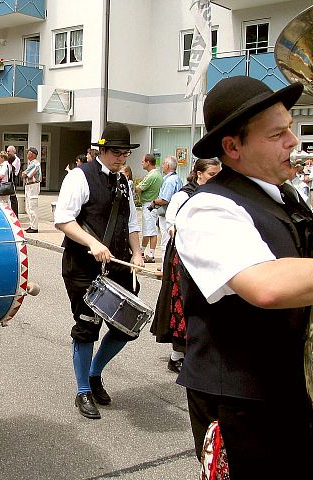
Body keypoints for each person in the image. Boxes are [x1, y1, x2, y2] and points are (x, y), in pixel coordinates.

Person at [174, 76, 313, 477]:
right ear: (233, 147)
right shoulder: (208, 209)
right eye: (277, 133)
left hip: (286, 392)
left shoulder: (286, 195)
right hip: (242, 403)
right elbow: (265, 285)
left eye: (290, 127)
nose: (293, 141)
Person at [54, 122, 144, 420]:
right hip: (83, 266)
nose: (122, 158)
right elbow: (64, 220)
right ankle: (83, 391)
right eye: (116, 152)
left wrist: (138, 251)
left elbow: (131, 223)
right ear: (101, 150)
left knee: (125, 327)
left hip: (118, 265)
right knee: (87, 328)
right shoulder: (79, 177)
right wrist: (92, 243)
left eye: (125, 154)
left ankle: (95, 373)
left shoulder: (123, 182)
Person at [150, 158, 221, 374]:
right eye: (211, 175)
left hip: (207, 255)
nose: (215, 179)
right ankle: (177, 355)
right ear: (199, 174)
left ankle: (200, 351)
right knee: (182, 302)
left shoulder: (218, 195)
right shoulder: (183, 195)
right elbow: (172, 224)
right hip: (183, 256)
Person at [149, 156, 182, 268]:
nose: (162, 166)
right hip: (173, 214)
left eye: (163, 164)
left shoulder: (169, 181)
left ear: (167, 166)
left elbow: (165, 199)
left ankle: (164, 267)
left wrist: (154, 201)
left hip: (167, 214)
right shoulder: (176, 178)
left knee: (165, 241)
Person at [135, 153, 163, 263]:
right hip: (152, 204)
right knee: (148, 229)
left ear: (148, 162)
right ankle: (142, 251)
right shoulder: (157, 174)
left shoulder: (152, 175)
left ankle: (151, 255)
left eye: (143, 161)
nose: (142, 163)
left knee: (151, 231)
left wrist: (138, 187)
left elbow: (139, 188)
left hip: (149, 205)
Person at [22, 146, 41, 233]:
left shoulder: (35, 163)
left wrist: (24, 173)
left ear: (33, 154)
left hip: (33, 186)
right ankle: (32, 225)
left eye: (28, 152)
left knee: (32, 206)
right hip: (29, 185)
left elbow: (25, 174)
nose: (27, 154)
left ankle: (34, 227)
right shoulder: (31, 163)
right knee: (29, 206)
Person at [6, 145, 21, 216]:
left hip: (13, 178)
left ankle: (15, 214)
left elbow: (14, 169)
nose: (7, 152)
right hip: (10, 178)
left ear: (13, 151)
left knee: (13, 197)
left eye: (8, 151)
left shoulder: (16, 159)